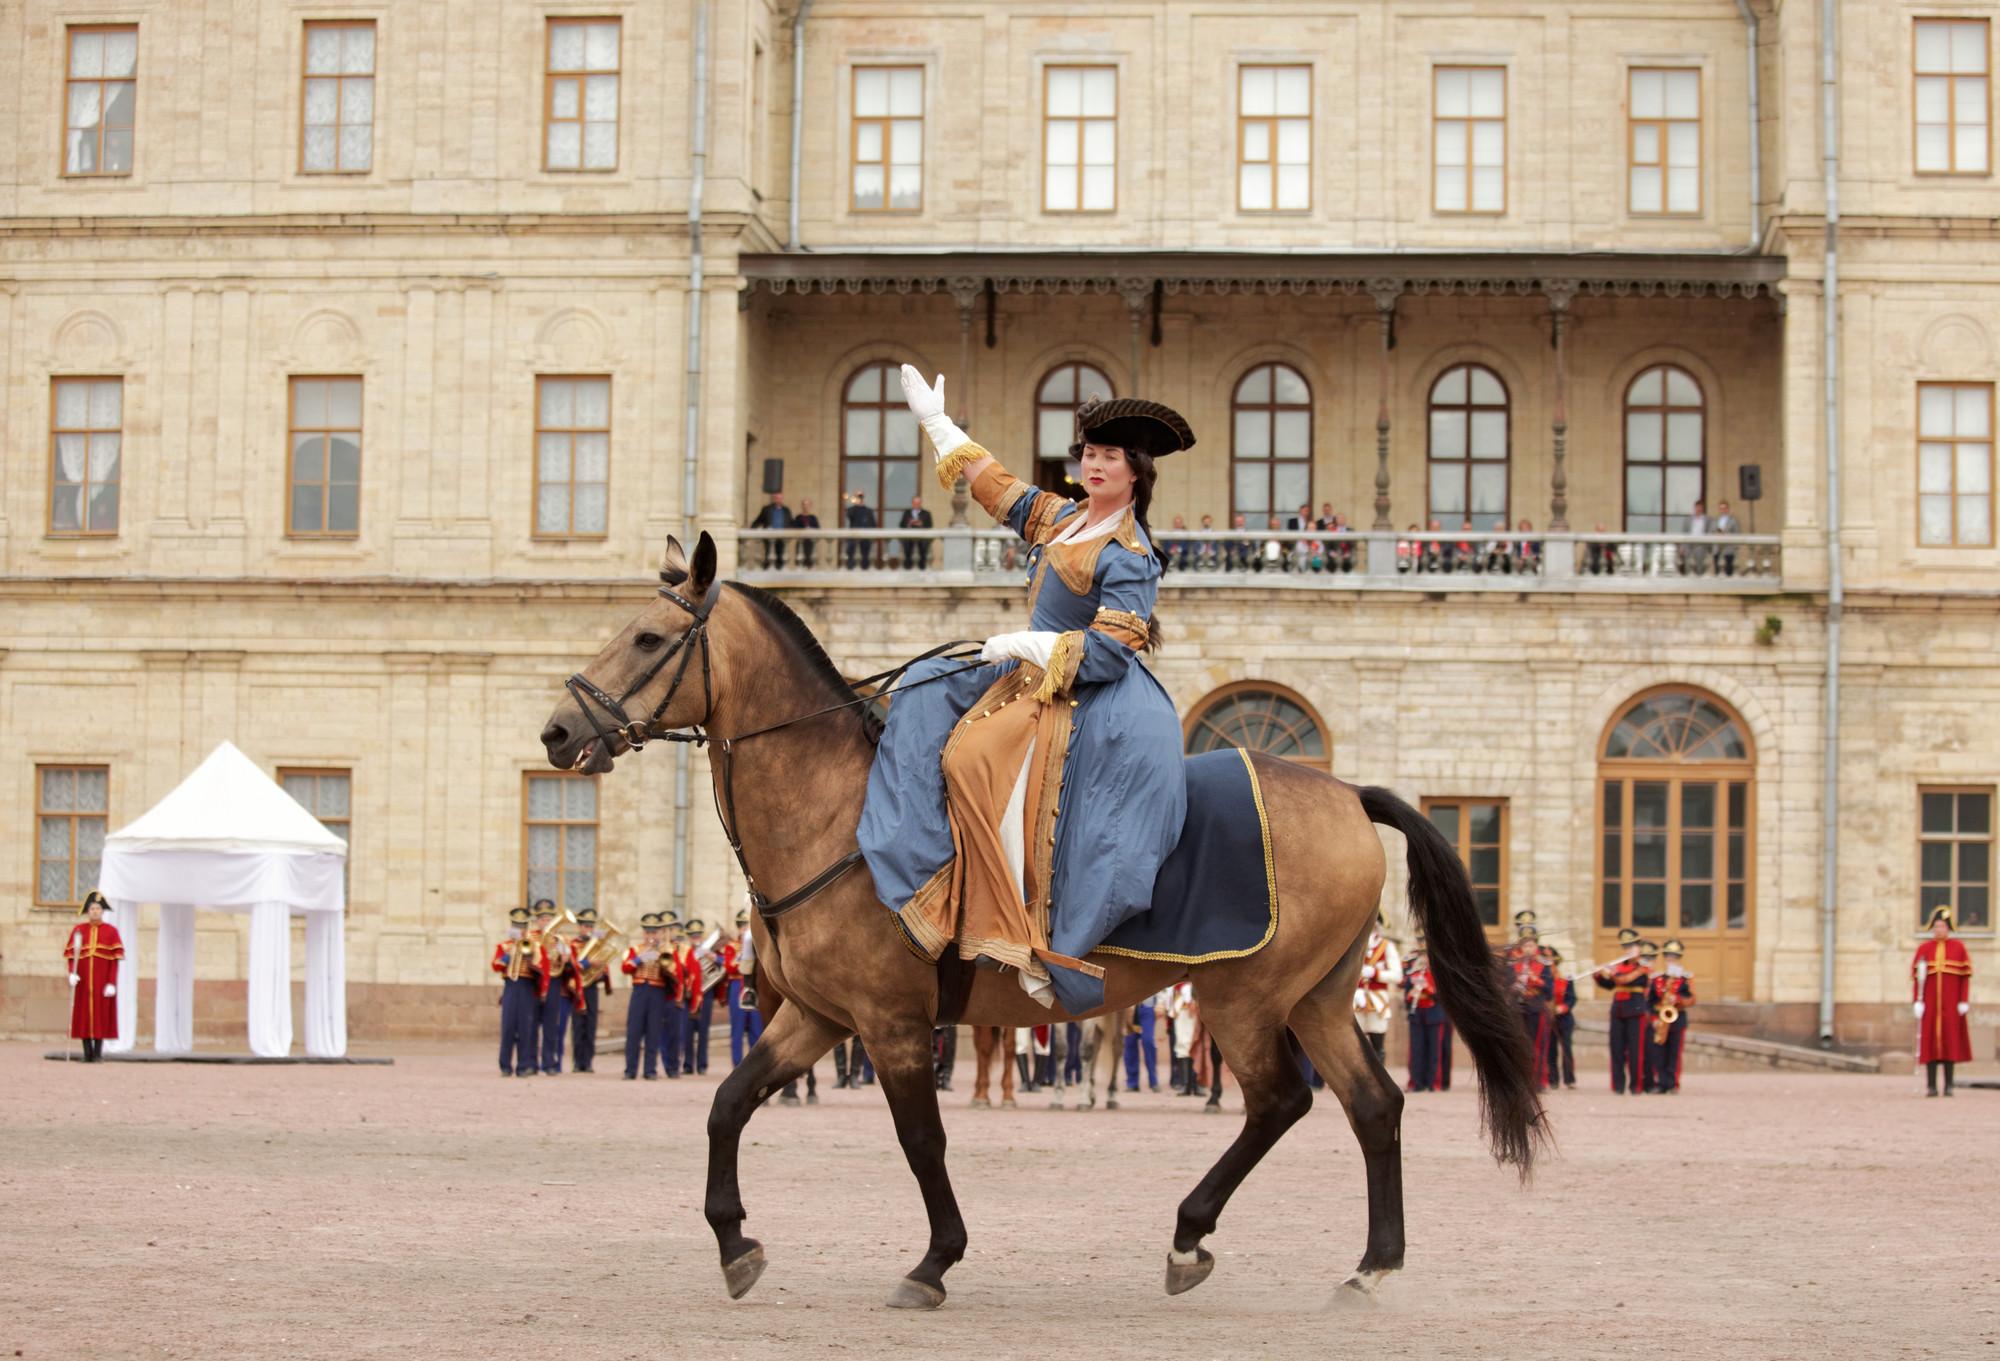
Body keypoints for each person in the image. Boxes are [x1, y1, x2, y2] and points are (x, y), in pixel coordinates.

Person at [860, 368, 1192, 1015]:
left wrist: (1028, 644)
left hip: (1080, 692)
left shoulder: (1130, 552)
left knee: (971, 757)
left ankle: (1012, 926)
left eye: (1110, 457)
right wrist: (937, 423)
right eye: (1090, 454)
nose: (1095, 465)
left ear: (1135, 472)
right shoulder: (1063, 519)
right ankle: (928, 875)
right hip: (1026, 671)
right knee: (924, 686)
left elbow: (1112, 649)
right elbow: (1000, 488)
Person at [1913, 905, 1973, 1097]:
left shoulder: (1958, 948)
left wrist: (1963, 1000)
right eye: (1937, 926)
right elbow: (1918, 979)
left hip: (1951, 1005)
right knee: (1930, 1043)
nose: (1940, 930)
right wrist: (1917, 1001)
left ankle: (1949, 1085)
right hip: (1931, 1006)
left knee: (1950, 1043)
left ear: (1948, 928)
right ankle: (1931, 1086)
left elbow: (1964, 977)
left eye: (1943, 927)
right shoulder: (1924, 949)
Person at [63, 890, 123, 1063]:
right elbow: (71, 956)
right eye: (92, 909)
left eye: (98, 908)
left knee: (100, 1016)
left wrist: (111, 982)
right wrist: (72, 973)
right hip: (83, 982)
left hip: (101, 983)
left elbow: (114, 960)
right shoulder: (79, 931)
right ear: (88, 911)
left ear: (102, 911)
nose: (95, 911)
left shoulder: (111, 932)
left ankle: (97, 1054)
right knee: (83, 1016)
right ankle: (86, 1053)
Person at [1595, 928, 1652, 1095]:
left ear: (1639, 948)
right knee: (1616, 1048)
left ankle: (1636, 1085)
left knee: (1635, 1050)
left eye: (1632, 947)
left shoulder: (1643, 967)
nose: (1628, 950)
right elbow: (1611, 985)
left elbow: (1624, 980)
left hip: (1635, 1009)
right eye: (1626, 947)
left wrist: (1612, 973)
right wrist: (1598, 975)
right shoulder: (1619, 966)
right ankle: (1618, 1085)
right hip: (1618, 1009)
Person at [491, 905, 544, 1078]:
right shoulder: (504, 946)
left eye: (522, 927)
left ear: (527, 928)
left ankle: (523, 1066)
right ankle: (505, 1065)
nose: (520, 930)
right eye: (517, 926)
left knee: (525, 1027)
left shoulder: (534, 946)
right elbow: (496, 965)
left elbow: (541, 968)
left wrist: (530, 961)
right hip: (511, 986)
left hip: (527, 987)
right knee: (508, 1027)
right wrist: (508, 957)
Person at [621, 913, 672, 1080]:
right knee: (634, 1031)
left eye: (654, 933)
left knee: (653, 1031)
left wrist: (662, 961)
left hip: (657, 991)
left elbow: (675, 972)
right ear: (644, 933)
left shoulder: (666, 951)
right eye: (648, 933)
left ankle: (650, 1070)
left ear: (658, 934)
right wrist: (639, 959)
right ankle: (630, 1069)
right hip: (639, 990)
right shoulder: (635, 949)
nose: (651, 936)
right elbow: (625, 967)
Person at [1505, 925, 1552, 1091]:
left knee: (1537, 1045)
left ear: (1536, 947)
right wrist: (1515, 984)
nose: (1528, 949)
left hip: (1535, 1008)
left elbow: (1549, 991)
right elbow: (1506, 986)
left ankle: (1538, 1082)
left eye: (1531, 945)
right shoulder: (1513, 965)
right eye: (1525, 945)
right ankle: (1519, 1082)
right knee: (1518, 1046)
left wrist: (1535, 979)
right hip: (1517, 1008)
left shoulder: (1544, 965)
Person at [1644, 939, 1695, 1093]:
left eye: (1674, 956)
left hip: (1677, 1018)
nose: (1670, 959)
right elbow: (1650, 1001)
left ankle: (1673, 1083)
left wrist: (1678, 1000)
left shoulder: (1685, 979)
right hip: (1659, 1018)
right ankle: (1661, 1082)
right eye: (1668, 956)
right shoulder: (1657, 978)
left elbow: (1691, 999)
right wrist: (1653, 1019)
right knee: (1658, 1053)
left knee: (1674, 1053)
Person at [1353, 916, 1403, 1062]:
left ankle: (1378, 1081)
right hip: (1356, 1000)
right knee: (1356, 1046)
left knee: (1377, 1046)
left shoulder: (1387, 946)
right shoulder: (1355, 947)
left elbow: (1397, 976)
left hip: (1377, 1001)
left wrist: (1376, 973)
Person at [532, 899, 574, 1075]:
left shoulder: (561, 939)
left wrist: (566, 960)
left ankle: (550, 1063)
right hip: (534, 983)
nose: (546, 923)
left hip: (554, 983)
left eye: (549, 919)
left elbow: (571, 968)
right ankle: (530, 1063)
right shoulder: (531, 937)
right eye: (542, 919)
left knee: (551, 1025)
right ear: (537, 921)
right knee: (531, 1024)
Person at [570, 907, 613, 1074]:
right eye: (585, 926)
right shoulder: (574, 944)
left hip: (592, 988)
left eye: (590, 927)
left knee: (591, 1024)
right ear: (580, 927)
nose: (588, 930)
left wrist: (601, 974)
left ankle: (588, 1061)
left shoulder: (597, 946)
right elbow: (573, 965)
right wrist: (588, 964)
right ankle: (577, 1061)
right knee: (578, 1025)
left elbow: (604, 966)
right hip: (578, 988)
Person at [726, 907, 763, 1067]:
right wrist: (740, 957)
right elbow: (730, 967)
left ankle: (755, 1065)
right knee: (737, 1029)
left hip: (754, 984)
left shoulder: (758, 945)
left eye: (747, 925)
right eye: (742, 926)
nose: (745, 929)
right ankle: (737, 1064)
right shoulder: (731, 946)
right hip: (737, 986)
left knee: (756, 1028)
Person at [681, 917, 715, 1076]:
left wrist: (712, 957)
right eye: (693, 936)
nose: (696, 939)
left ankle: (702, 1065)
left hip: (705, 995)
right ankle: (688, 1064)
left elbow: (723, 965)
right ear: (688, 937)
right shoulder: (684, 953)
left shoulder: (709, 951)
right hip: (689, 996)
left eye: (698, 936)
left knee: (703, 1032)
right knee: (687, 1033)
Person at [1543, 946, 1578, 1090]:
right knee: (1551, 1050)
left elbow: (1572, 998)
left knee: (1566, 1049)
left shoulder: (1566, 980)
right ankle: (1553, 1079)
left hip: (1564, 1019)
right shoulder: (1544, 981)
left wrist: (1562, 1008)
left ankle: (1569, 1079)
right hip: (1549, 1019)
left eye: (1551, 964)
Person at [1124, 989, 1160, 1092]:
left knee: (1148, 1041)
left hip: (1147, 1006)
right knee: (1129, 1044)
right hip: (1129, 1006)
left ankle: (1153, 1081)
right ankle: (1132, 1082)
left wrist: (1161, 1003)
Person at [747, 490, 793, 569]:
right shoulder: (767, 509)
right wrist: (752, 529)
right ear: (773, 498)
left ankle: (779, 570)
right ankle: (768, 569)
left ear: (782, 498)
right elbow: (759, 520)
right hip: (770, 537)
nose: (778, 499)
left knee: (781, 555)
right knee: (769, 554)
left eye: (780, 498)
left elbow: (791, 522)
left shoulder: (786, 510)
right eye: (776, 497)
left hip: (782, 537)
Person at [843, 489, 877, 570]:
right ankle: (851, 568)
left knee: (865, 556)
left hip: (865, 538)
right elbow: (849, 516)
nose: (859, 497)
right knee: (851, 554)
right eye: (857, 496)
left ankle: (865, 569)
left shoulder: (868, 511)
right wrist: (856, 504)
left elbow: (873, 524)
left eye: (861, 496)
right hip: (853, 537)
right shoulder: (852, 509)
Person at [899, 494, 934, 569]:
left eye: (918, 503)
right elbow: (901, 525)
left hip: (922, 537)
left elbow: (930, 526)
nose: (916, 505)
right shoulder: (907, 513)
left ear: (921, 503)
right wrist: (909, 523)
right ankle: (908, 567)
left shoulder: (926, 513)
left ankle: (922, 567)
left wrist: (921, 524)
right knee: (907, 549)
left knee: (923, 550)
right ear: (912, 503)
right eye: (915, 503)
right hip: (909, 537)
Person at [1711, 500, 1740, 576]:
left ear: (1727, 509)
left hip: (1728, 550)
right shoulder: (1715, 520)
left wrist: (1726, 534)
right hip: (1717, 549)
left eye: (1724, 508)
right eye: (1721, 508)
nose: (1723, 510)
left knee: (1728, 571)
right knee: (1718, 570)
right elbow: (1711, 532)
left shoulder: (1733, 521)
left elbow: (1737, 534)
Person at [794, 496, 821, 568]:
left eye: (807, 504)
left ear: (810, 506)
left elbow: (818, 530)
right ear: (802, 506)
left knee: (810, 563)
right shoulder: (798, 517)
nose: (805, 506)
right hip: (801, 543)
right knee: (800, 562)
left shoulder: (813, 518)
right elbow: (794, 529)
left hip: (811, 543)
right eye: (804, 504)